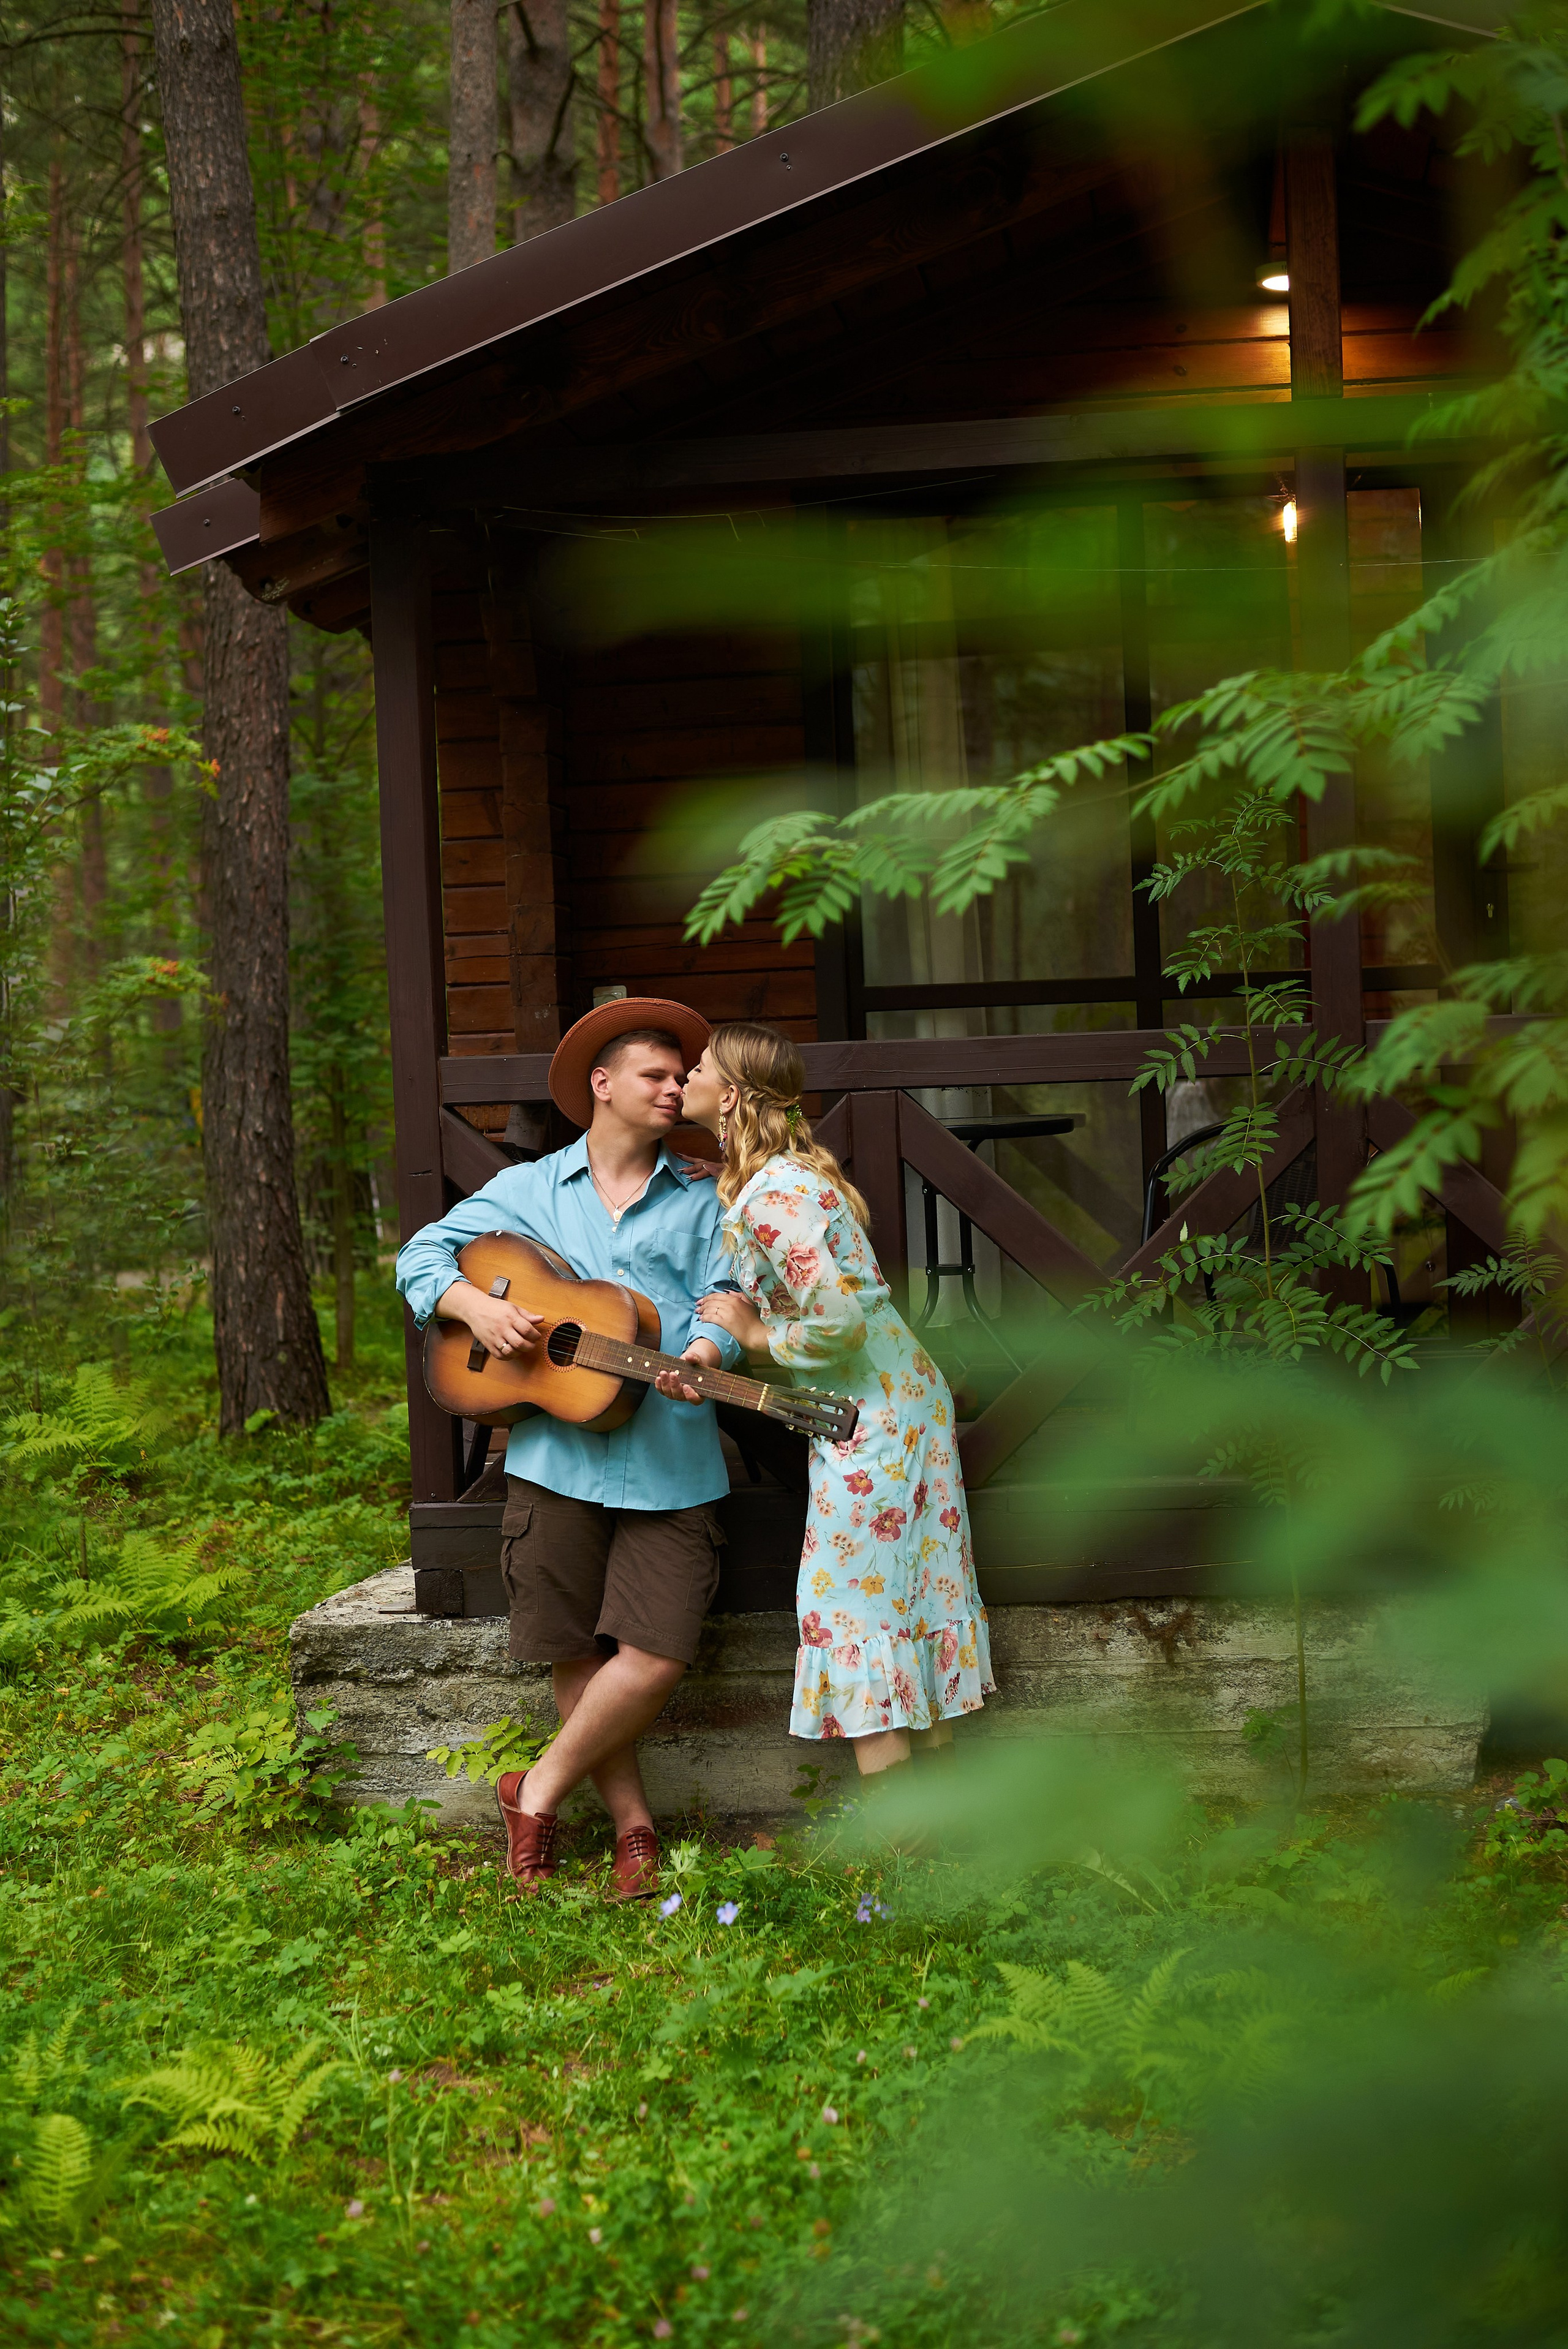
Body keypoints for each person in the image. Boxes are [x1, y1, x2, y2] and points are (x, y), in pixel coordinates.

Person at [395, 998, 747, 1902]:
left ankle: (536, 1788)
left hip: (672, 1454)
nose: (676, 1088)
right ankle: (634, 1831)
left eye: (683, 1077)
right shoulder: (528, 1190)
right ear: (603, 1084)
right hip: (555, 1459)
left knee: (658, 1650)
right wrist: (472, 1306)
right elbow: (422, 1257)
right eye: (656, 1075)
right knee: (572, 1646)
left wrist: (709, 1353)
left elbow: (731, 1295)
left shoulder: (708, 1194)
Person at [663, 1020, 993, 1804]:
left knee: (848, 1608)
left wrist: (751, 1331)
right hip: (898, 1399)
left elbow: (837, 1321)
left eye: (699, 1068)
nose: (685, 1076)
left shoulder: (774, 1195)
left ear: (732, 1095)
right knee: (912, 1596)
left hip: (874, 1420)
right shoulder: (780, 1177)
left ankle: (901, 1835)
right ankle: (939, 1820)